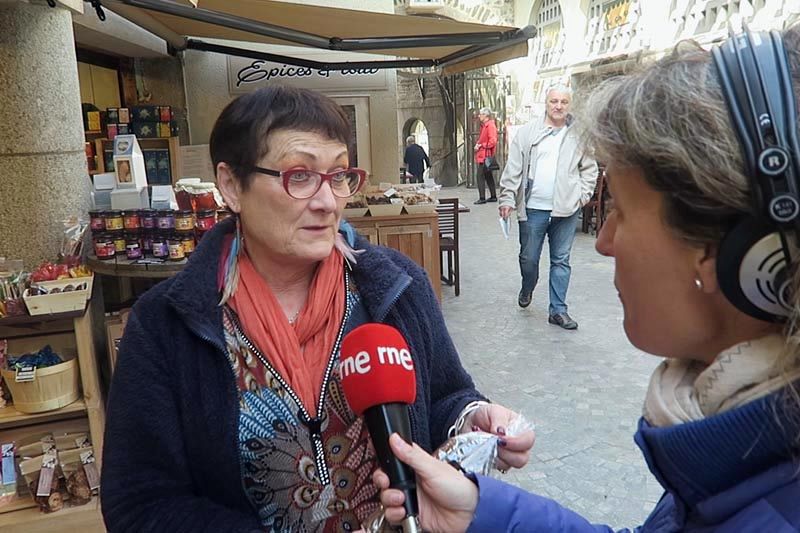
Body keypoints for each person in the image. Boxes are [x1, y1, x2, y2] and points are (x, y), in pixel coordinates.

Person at [373, 26, 800, 532]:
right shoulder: (740, 441)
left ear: (731, 251)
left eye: (621, 205)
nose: (604, 239)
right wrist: (485, 514)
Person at [101, 86, 534, 532]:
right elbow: (141, 504)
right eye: (300, 176)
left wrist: (472, 417)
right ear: (231, 186)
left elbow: (443, 395)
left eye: (339, 175)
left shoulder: (396, 288)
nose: (328, 201)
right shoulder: (166, 325)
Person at [498, 85, 597, 330]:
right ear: (546, 102)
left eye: (564, 102)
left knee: (561, 260)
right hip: (533, 208)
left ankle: (558, 310)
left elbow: (589, 168)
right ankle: (528, 284)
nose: (559, 106)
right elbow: (514, 168)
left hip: (566, 209)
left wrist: (582, 196)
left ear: (569, 105)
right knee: (528, 259)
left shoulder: (579, 134)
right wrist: (507, 198)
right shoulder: (528, 132)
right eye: (554, 101)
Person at [473, 107, 498, 205]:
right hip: (484, 154)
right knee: (488, 176)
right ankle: (493, 196)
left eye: (481, 114)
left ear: (485, 115)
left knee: (480, 176)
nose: (479, 116)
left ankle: (482, 197)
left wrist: (481, 145)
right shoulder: (486, 126)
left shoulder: (490, 126)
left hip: (485, 156)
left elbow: (493, 141)